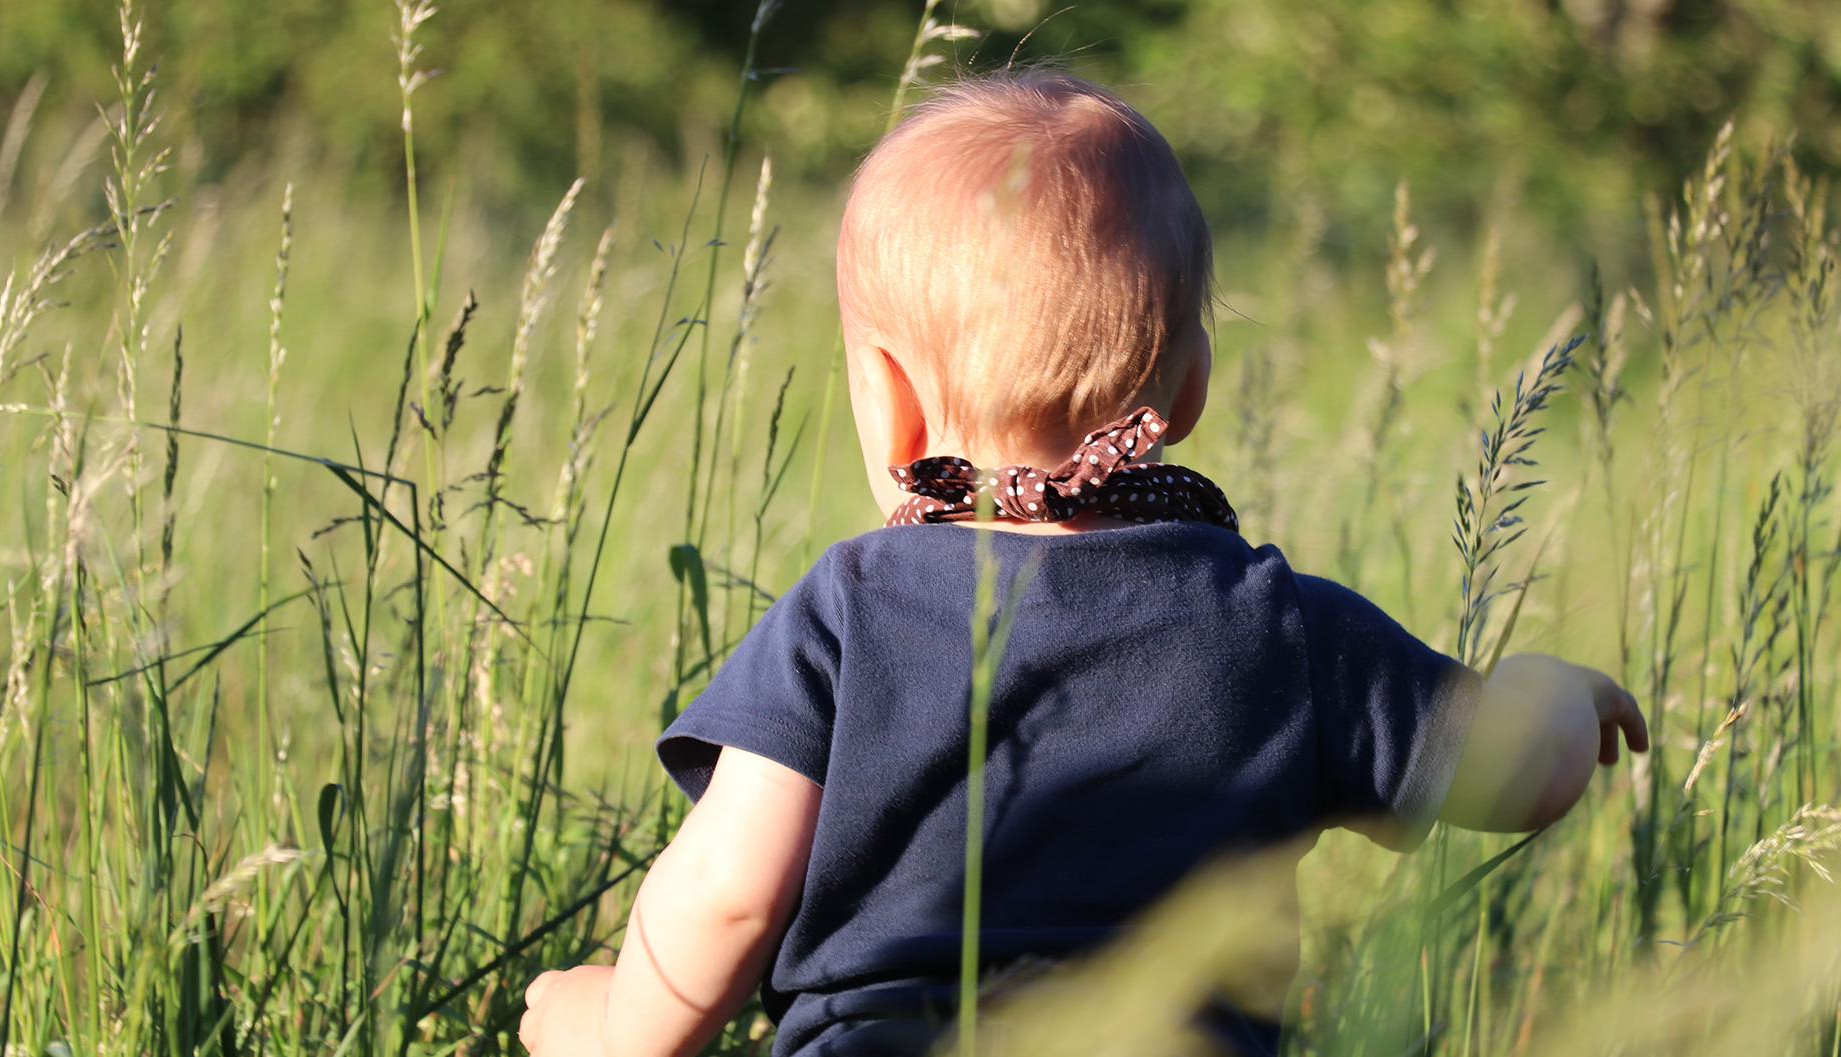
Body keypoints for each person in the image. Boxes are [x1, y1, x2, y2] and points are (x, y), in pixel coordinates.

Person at [518, 70, 1647, 1057]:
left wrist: (609, 1024)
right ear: (1190, 390)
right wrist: (1545, 690)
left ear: (895, 403)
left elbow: (723, 896)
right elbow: (1518, 772)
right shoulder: (1282, 626)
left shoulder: (850, 611)